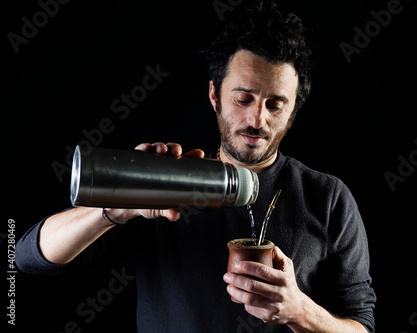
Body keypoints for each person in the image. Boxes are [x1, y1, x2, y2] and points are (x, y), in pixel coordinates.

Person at [16, 2, 376, 332]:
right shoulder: (166, 187)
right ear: (214, 96)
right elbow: (28, 256)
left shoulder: (328, 198)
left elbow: (363, 326)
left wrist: (300, 312)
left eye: (276, 105)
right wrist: (116, 207)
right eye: (243, 98)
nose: (257, 119)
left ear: (293, 112)